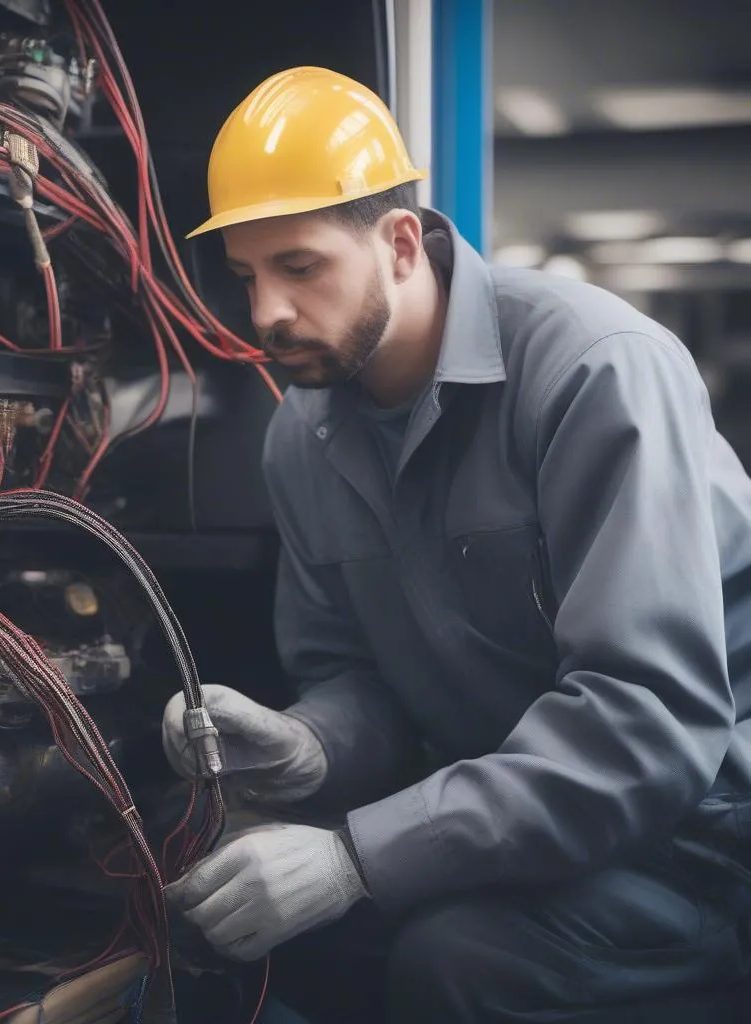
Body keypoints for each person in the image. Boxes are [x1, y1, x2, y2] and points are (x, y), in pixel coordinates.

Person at [160, 66, 751, 1023]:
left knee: (461, 963)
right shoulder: (300, 436)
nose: (265, 312)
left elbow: (647, 721)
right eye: (245, 276)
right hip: (504, 825)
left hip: (696, 838)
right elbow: (359, 678)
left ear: (399, 243)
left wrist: (356, 859)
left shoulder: (593, 371)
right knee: (239, 923)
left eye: (299, 267)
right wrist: (311, 746)